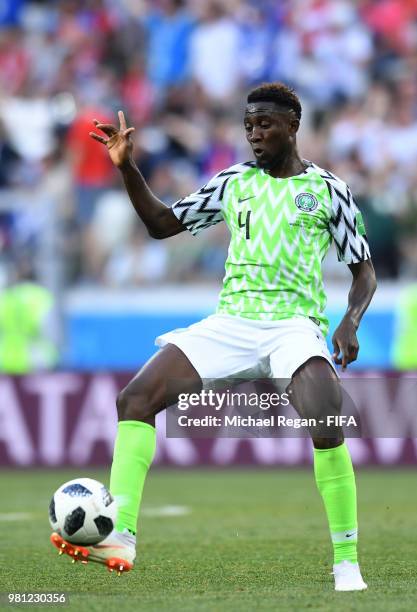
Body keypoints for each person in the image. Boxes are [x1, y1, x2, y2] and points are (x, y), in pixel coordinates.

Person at [51, 83, 376, 590]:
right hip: (231, 322)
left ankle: (346, 561)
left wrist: (351, 319)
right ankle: (121, 535)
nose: (254, 134)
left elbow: (364, 271)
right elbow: (161, 225)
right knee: (134, 399)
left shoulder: (329, 190)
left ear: (293, 125)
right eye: (248, 125)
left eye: (264, 124)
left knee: (327, 418)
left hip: (293, 325)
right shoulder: (232, 183)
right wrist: (126, 166)